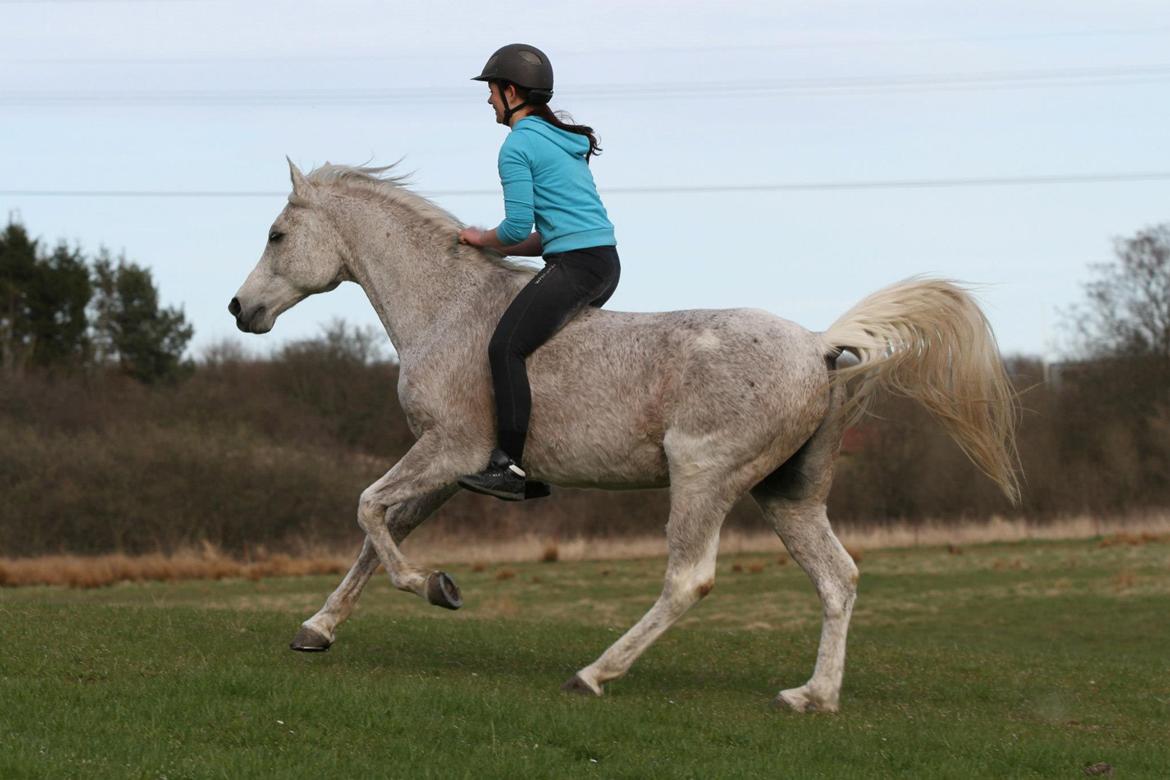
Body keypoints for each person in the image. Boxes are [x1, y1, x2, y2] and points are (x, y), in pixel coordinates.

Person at [457, 43, 621, 502]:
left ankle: (508, 466)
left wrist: (480, 239)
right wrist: (495, 247)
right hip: (601, 262)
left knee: (505, 346)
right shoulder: (560, 140)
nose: (488, 100)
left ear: (510, 91)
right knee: (534, 350)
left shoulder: (519, 144)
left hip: (576, 265)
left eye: (490, 90)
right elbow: (548, 235)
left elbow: (513, 228)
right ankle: (540, 458)